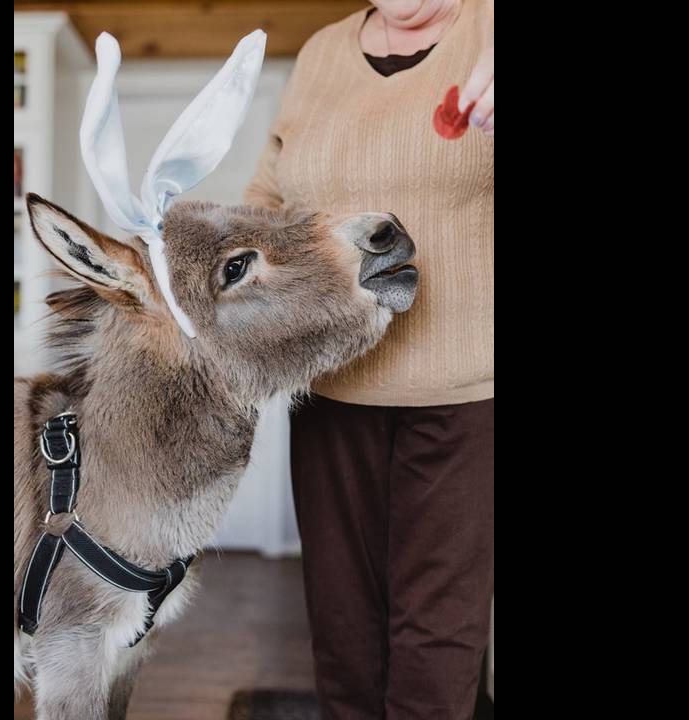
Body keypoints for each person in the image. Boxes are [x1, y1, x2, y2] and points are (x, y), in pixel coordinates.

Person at [244, 1, 494, 717]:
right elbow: (269, 192)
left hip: (462, 402)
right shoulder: (324, 51)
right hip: (330, 392)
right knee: (344, 635)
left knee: (436, 644)